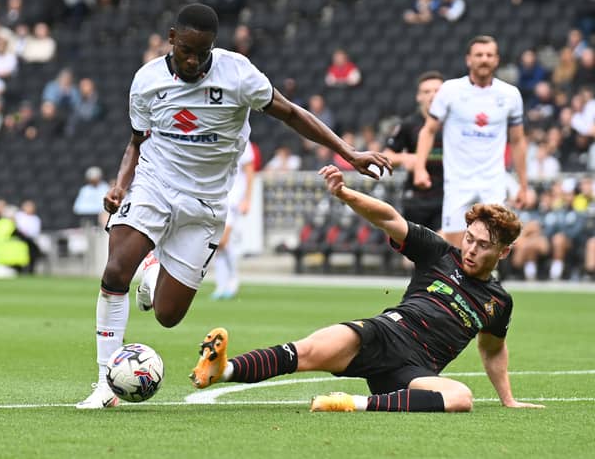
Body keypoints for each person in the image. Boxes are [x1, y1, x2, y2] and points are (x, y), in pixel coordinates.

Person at [76, 3, 391, 409]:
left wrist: (349, 152)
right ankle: (105, 383)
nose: (193, 60)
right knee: (116, 270)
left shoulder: (239, 74)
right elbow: (137, 142)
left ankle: (153, 274)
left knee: (168, 316)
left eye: (202, 52)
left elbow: (292, 114)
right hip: (155, 185)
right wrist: (121, 185)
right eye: (186, 49)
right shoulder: (146, 81)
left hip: (206, 202)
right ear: (171, 38)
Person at [189, 164, 544, 413]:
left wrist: (508, 399)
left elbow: (493, 349)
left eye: (483, 245)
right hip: (383, 334)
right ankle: (224, 369)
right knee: (308, 349)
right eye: (469, 238)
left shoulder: (498, 301)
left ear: (504, 251)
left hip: (415, 372)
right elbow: (390, 218)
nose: (471, 249)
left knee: (460, 398)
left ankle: (353, 403)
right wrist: (345, 194)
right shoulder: (439, 253)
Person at [414, 35, 528, 248]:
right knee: (455, 248)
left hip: (493, 181)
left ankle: (488, 281)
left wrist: (523, 185)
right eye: (479, 55)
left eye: (489, 55)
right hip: (458, 182)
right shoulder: (450, 90)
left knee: (492, 244)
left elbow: (518, 140)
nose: (484, 59)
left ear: (497, 60)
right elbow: (428, 130)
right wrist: (420, 168)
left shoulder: (510, 95)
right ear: (468, 59)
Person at [384, 71, 444, 232]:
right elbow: (386, 156)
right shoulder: (408, 125)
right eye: (427, 91)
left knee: (444, 247)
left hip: (446, 197)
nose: (432, 95)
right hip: (416, 199)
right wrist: (405, 158)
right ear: (419, 97)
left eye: (437, 91)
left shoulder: (454, 124)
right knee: (414, 251)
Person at [210, 141, 255, 300]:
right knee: (219, 243)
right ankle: (222, 284)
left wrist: (247, 199)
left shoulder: (243, 140)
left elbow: (249, 170)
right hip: (217, 195)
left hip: (234, 197)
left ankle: (233, 279)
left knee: (222, 241)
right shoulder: (216, 137)